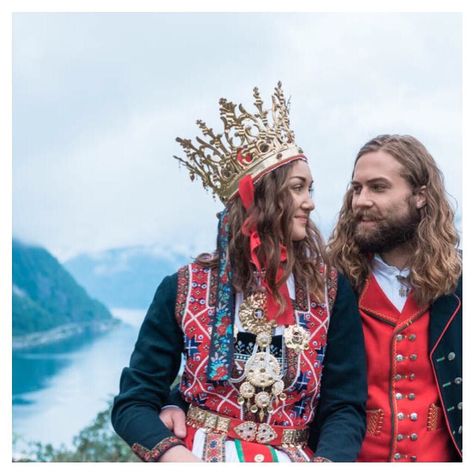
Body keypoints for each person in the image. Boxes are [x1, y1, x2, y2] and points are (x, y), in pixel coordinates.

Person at [111, 83, 367, 462]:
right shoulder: (183, 287)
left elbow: (344, 406)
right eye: (298, 188)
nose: (310, 203)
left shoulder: (329, 291)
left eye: (311, 189)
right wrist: (173, 456)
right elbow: (133, 401)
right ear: (262, 197)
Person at [327, 134, 462, 462]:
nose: (361, 201)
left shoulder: (461, 286)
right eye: (357, 188)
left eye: (378, 187)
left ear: (420, 196)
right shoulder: (327, 286)